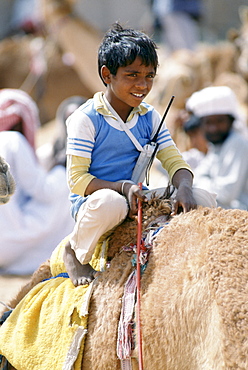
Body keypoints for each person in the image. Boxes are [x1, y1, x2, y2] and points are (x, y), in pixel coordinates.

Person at [63, 22, 216, 287]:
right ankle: (73, 251)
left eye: (149, 76)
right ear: (107, 74)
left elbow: (175, 162)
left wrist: (185, 188)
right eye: (132, 75)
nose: (143, 85)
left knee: (204, 198)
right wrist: (122, 188)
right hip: (100, 201)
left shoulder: (149, 116)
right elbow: (77, 180)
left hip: (140, 197)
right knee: (111, 204)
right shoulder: (86, 118)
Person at [0, 88, 74, 275]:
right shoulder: (13, 140)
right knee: (67, 189)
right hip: (8, 243)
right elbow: (43, 191)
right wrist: (62, 166)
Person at [186, 85, 248, 210]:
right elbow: (200, 174)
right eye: (208, 122)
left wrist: (200, 184)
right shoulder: (217, 145)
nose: (213, 128)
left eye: (219, 121)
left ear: (231, 121)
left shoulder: (237, 143)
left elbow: (224, 194)